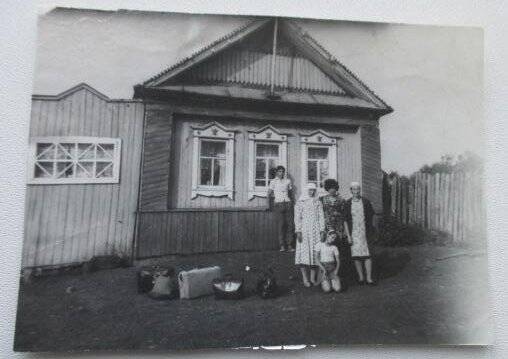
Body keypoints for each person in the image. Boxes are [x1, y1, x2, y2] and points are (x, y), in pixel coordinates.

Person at [320, 179, 353, 288]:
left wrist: (345, 232)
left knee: (338, 251)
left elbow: (344, 216)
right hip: (327, 228)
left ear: (336, 188)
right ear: (327, 189)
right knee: (327, 251)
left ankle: (338, 274)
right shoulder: (322, 200)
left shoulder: (341, 200)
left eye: (333, 188)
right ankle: (326, 276)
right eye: (329, 188)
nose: (332, 190)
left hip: (339, 229)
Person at [344, 182, 376, 285]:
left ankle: (369, 278)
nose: (356, 191)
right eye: (354, 189)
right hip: (354, 232)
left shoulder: (366, 202)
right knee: (356, 255)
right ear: (351, 191)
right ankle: (361, 277)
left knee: (368, 255)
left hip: (365, 232)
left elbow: (372, 217)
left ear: (360, 190)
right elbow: (345, 220)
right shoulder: (348, 203)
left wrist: (372, 231)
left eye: (358, 189)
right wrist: (348, 236)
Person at [294, 182, 325, 287]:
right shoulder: (300, 202)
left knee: (314, 253)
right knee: (304, 254)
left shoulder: (318, 202)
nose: (311, 192)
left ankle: (312, 278)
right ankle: (305, 278)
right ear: (306, 191)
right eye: (309, 190)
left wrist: (322, 230)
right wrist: (298, 231)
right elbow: (297, 217)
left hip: (315, 230)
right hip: (304, 229)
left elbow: (321, 216)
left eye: (313, 190)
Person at [268, 166, 295, 252]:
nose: (281, 173)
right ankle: (282, 246)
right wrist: (268, 205)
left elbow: (291, 193)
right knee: (281, 225)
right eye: (279, 171)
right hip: (278, 204)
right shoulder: (273, 182)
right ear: (276, 172)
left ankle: (289, 245)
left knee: (290, 225)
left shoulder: (288, 181)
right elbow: (269, 194)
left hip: (288, 203)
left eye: (283, 171)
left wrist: (292, 202)